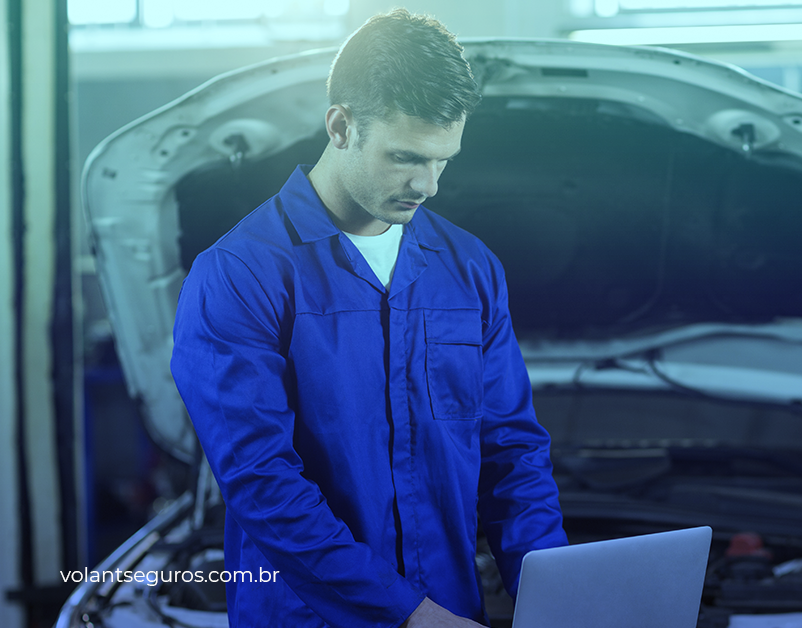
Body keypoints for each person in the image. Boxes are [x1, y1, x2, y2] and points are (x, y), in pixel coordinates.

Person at [170, 9, 568, 628]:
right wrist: (405, 614)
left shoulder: (468, 268)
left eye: (443, 160)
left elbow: (511, 450)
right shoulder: (240, 275)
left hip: (451, 609)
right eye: (405, 156)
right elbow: (261, 482)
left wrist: (555, 596)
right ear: (340, 126)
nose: (428, 184)